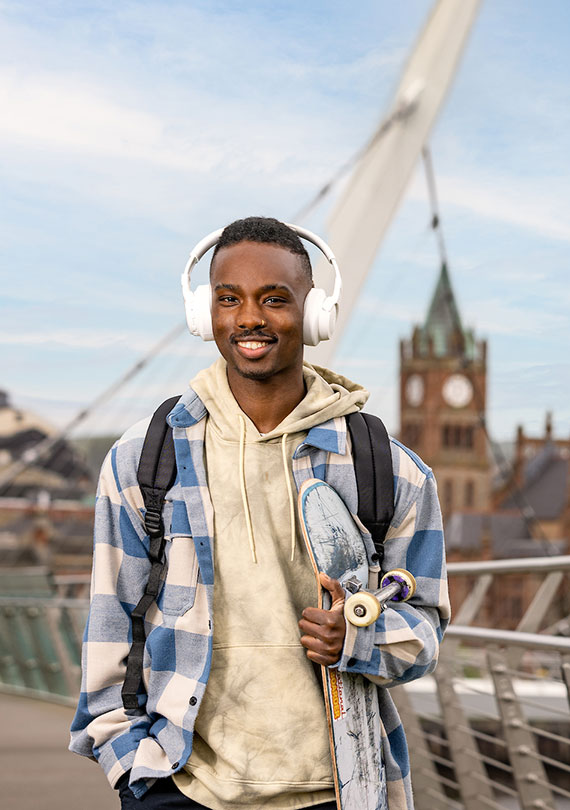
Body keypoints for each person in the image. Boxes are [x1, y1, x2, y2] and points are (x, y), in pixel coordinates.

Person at [70, 217, 449, 810]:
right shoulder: (142, 461)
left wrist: (361, 636)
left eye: (275, 299)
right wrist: (130, 768)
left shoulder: (391, 471)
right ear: (205, 314)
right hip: (181, 786)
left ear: (315, 313)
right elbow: (110, 619)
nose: (250, 318)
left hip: (337, 789)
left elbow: (426, 626)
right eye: (229, 300)